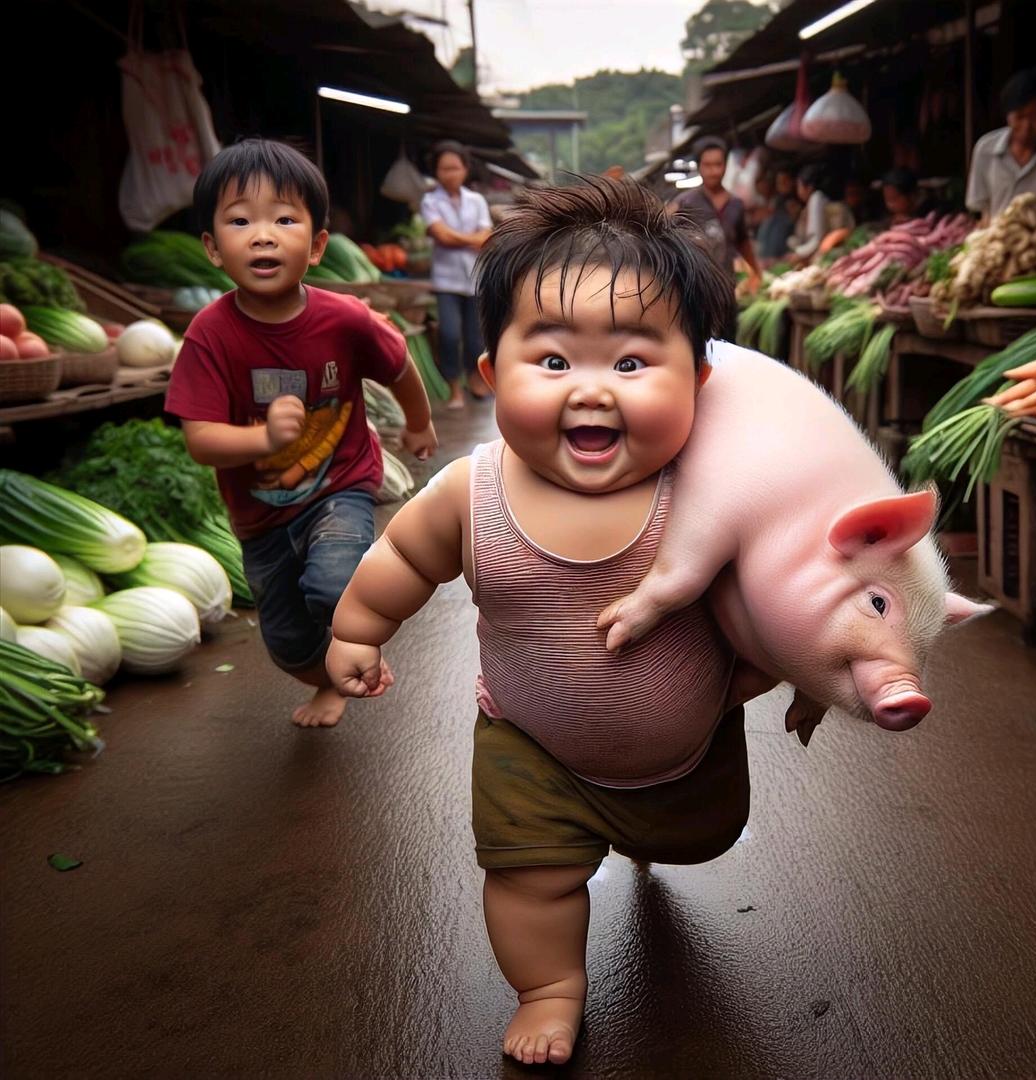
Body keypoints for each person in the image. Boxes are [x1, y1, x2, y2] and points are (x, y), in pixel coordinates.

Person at [328, 178, 750, 1066]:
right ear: (490, 375)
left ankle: (645, 838)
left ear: (700, 380)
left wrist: (793, 664)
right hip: (531, 744)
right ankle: (551, 987)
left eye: (632, 363)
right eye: (553, 361)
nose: (591, 391)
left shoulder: (710, 494)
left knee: (698, 836)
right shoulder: (471, 493)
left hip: (690, 746)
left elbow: (776, 590)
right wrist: (359, 629)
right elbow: (402, 559)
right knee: (530, 876)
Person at [165, 138, 438, 729]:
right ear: (213, 248)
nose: (263, 234)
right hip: (259, 517)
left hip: (339, 485)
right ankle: (325, 681)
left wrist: (419, 423)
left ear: (316, 246)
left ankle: (357, 648)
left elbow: (399, 367)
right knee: (287, 642)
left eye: (285, 219)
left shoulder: (345, 318)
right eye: (240, 221)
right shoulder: (209, 336)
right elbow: (201, 440)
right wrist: (262, 440)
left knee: (334, 581)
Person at [421, 140, 493, 408]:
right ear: (436, 172)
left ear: (465, 169)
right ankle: (454, 389)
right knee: (450, 334)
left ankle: (476, 382)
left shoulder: (477, 200)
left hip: (474, 278)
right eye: (444, 169)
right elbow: (441, 236)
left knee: (476, 337)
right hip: (446, 281)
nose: (450, 173)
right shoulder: (430, 201)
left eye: (455, 167)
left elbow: (485, 237)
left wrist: (456, 237)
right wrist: (471, 238)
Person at [966, 66, 1036, 223]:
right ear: (1007, 116)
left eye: (1035, 118)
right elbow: (983, 213)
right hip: (1001, 242)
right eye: (1019, 117)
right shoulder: (985, 149)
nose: (1027, 127)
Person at [670, 136, 762, 291]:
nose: (714, 171)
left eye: (718, 165)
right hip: (696, 287)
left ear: (725, 166)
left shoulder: (736, 204)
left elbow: (743, 242)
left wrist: (757, 272)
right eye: (707, 165)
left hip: (727, 286)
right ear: (699, 167)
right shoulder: (684, 202)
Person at [788, 164, 854, 262]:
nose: (798, 190)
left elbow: (816, 240)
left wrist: (798, 253)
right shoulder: (809, 208)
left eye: (799, 185)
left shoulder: (818, 200)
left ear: (809, 187)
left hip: (832, 256)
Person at [753, 168, 796, 262]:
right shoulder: (777, 200)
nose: (782, 186)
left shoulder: (794, 201)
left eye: (785, 182)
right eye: (779, 183)